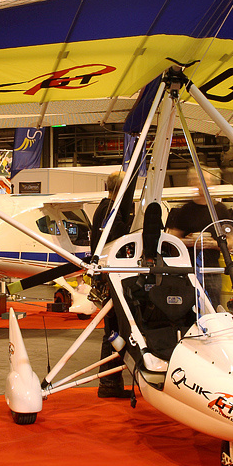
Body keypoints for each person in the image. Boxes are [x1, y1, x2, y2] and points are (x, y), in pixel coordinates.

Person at [90, 170, 136, 398]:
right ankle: (109, 383)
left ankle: (110, 382)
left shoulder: (103, 208)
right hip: (112, 277)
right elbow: (121, 238)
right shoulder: (111, 212)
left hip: (105, 276)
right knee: (115, 331)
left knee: (113, 330)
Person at [165, 170, 233, 308]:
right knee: (189, 307)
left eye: (203, 182)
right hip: (188, 270)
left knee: (213, 307)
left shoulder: (221, 210)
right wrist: (189, 242)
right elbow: (171, 240)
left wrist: (214, 244)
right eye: (195, 182)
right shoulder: (185, 210)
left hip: (212, 271)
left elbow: (231, 242)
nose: (199, 186)